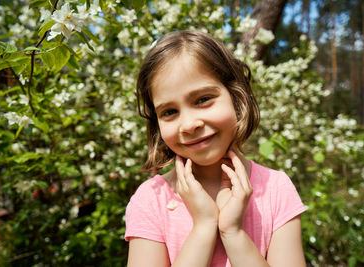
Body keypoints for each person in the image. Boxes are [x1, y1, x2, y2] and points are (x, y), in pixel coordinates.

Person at [125, 30, 307, 266]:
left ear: (237, 97)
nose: (189, 125)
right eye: (169, 112)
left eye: (203, 100)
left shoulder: (276, 190)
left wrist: (233, 232)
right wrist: (203, 226)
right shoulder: (152, 200)